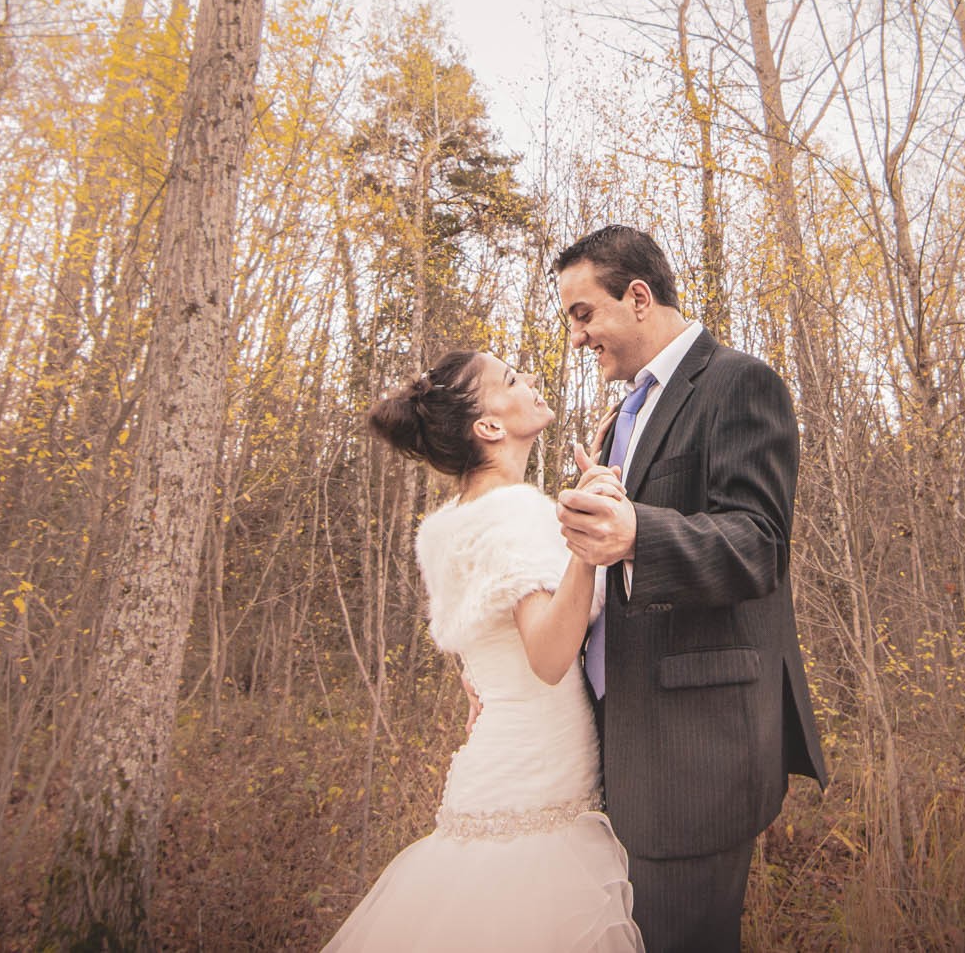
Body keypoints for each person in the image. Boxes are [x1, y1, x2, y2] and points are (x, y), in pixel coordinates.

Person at [552, 225, 828, 953]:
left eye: (583, 314)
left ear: (637, 297)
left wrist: (638, 531)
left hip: (691, 760)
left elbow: (758, 543)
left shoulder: (740, 382)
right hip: (609, 746)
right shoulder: (620, 416)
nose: (577, 338)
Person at [324, 350, 642, 952]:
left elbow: (480, 638)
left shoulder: (448, 523)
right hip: (537, 781)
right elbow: (549, 658)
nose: (531, 382)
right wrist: (581, 534)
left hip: (496, 762)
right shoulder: (516, 512)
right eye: (512, 380)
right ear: (489, 426)